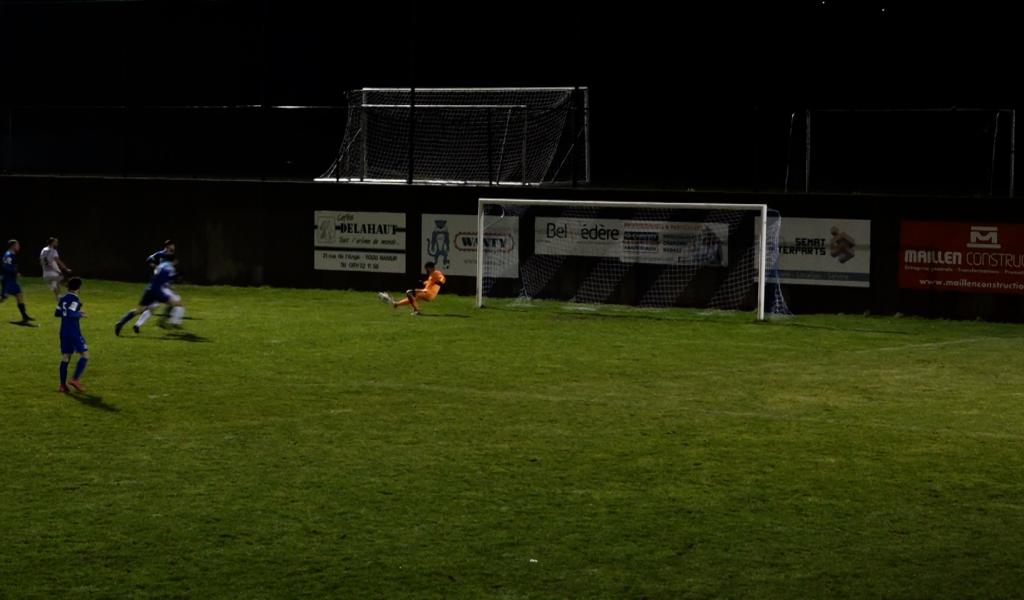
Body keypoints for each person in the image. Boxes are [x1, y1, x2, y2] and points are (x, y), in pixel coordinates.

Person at [114, 254, 185, 335]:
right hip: (158, 291)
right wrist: (177, 276)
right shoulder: (170, 268)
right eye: (176, 260)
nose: (177, 262)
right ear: (173, 260)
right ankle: (168, 322)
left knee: (139, 310)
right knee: (177, 304)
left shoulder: (161, 265)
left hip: (149, 289)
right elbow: (167, 279)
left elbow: (156, 272)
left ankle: (121, 322)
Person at [55, 277, 89, 393]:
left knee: (65, 357)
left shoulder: (63, 298)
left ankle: (62, 385)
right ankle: (74, 379)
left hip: (63, 331)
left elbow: (57, 313)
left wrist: (72, 312)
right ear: (78, 288)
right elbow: (70, 313)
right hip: (73, 331)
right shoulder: (75, 299)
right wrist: (79, 314)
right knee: (85, 355)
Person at [378, 261, 446, 315]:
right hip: (427, 292)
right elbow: (430, 282)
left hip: (428, 293)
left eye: (426, 268)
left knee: (409, 292)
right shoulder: (432, 274)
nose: (426, 270)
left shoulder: (436, 272)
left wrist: (440, 282)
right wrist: (423, 282)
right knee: (412, 298)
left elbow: (442, 278)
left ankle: (417, 311)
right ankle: (396, 304)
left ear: (429, 268)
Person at [1, 239, 34, 323]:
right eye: (17, 245)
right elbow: (5, 266)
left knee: (19, 296)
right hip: (7, 280)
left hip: (12, 280)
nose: (19, 246)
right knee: (3, 298)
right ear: (13, 246)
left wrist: (15, 272)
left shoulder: (12, 254)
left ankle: (24, 316)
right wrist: (15, 272)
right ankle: (24, 316)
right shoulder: (8, 254)